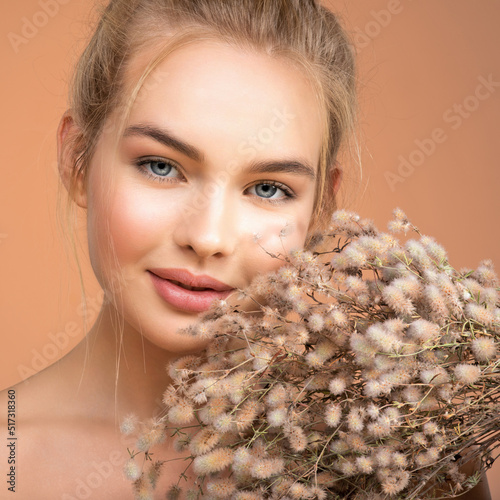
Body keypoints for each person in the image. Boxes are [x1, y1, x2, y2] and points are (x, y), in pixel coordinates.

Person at [0, 1, 491, 499]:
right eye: (161, 166)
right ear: (77, 160)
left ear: (322, 210)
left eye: (268, 189)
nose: (209, 238)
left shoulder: (407, 452)